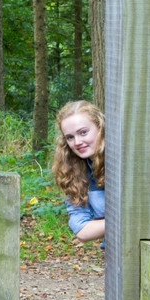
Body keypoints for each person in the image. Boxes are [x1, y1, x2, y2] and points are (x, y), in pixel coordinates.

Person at [51, 100, 105, 245]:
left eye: (83, 132)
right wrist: (125, 221)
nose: (77, 142)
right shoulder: (75, 171)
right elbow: (81, 230)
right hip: (115, 254)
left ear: (100, 128)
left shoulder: (125, 162)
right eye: (70, 137)